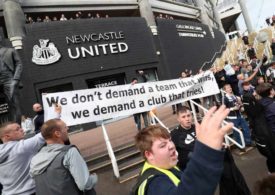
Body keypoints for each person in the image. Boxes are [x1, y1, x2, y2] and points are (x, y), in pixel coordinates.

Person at [132, 106, 233, 195]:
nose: (171, 146)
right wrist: (206, 153)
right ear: (149, 154)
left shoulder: (166, 166)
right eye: (162, 145)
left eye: (170, 141)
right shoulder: (155, 185)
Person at [30, 119, 97, 195]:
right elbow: (84, 184)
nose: (68, 129)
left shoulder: (35, 159)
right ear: (57, 133)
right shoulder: (69, 152)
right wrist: (93, 178)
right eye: (65, 127)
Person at [0, 122, 45, 195]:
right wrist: (57, 113)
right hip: (28, 192)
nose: (21, 130)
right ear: (7, 136)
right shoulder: (22, 147)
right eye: (17, 129)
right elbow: (47, 132)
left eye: (20, 127)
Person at [0, 45, 23, 123]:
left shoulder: (10, 51)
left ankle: (17, 127)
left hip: (8, 78)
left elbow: (19, 64)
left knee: (14, 105)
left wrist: (15, 79)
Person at [171, 106, 195, 171]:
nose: (187, 119)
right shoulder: (175, 134)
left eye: (188, 115)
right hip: (188, 169)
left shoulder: (198, 128)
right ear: (178, 119)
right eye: (183, 117)